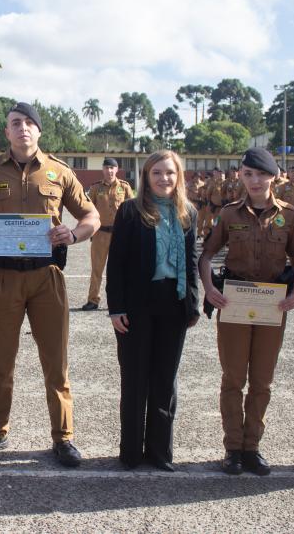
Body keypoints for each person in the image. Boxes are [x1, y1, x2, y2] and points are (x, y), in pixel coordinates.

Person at [0, 102, 100, 467]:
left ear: (38, 131)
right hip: (4, 277)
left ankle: (64, 437)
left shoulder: (59, 172)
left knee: (56, 362)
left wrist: (72, 234)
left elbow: (91, 216)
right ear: (6, 132)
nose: (22, 128)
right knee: (0, 363)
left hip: (46, 277)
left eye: (28, 123)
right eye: (15, 123)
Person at [199, 148, 294, 476]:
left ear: (273, 177)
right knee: (233, 378)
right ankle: (233, 448)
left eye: (261, 174)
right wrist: (209, 288)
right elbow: (206, 255)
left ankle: (252, 447)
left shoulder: (288, 215)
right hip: (235, 303)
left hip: (273, 306)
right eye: (248, 174)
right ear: (241, 177)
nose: (255, 181)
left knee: (262, 380)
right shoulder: (229, 214)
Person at [105, 150, 199, 471]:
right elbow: (115, 263)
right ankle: (131, 452)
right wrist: (115, 307)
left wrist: (193, 303)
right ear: (146, 177)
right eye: (157, 173)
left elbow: (191, 262)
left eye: (170, 173)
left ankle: (160, 452)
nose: (164, 179)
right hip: (136, 306)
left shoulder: (188, 212)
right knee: (135, 380)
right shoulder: (130, 211)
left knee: (165, 381)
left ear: (179, 176)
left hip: (173, 304)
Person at [82, 157, 134, 311]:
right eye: (106, 168)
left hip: (120, 235)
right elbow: (88, 210)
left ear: (117, 170)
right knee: (97, 269)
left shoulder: (124, 187)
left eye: (112, 168)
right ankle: (93, 300)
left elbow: (132, 210)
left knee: (120, 269)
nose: (109, 171)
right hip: (100, 234)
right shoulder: (96, 188)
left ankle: (120, 300)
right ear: (103, 170)